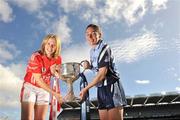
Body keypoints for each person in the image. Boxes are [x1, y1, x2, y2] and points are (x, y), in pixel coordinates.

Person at [79, 24, 127, 120]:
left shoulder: (105, 47)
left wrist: (85, 89)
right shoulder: (92, 51)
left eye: (93, 33)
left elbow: (102, 74)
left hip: (111, 86)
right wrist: (89, 67)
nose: (90, 37)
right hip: (100, 89)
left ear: (99, 35)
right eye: (87, 34)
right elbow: (97, 70)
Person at [20, 34, 63, 120]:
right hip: (30, 87)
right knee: (27, 118)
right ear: (44, 44)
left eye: (53, 45)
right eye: (48, 44)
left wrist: (55, 72)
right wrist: (54, 94)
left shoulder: (58, 58)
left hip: (44, 90)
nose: (50, 47)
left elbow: (59, 76)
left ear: (57, 47)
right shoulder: (36, 57)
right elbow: (38, 80)